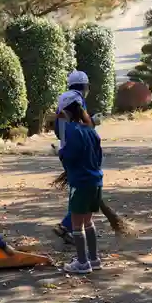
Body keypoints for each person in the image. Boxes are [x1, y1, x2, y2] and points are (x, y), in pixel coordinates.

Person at [59, 100, 103, 274]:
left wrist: (60, 153)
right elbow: (99, 155)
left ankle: (82, 263)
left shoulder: (72, 130)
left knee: (77, 225)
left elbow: (70, 155)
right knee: (88, 221)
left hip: (80, 181)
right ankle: (94, 258)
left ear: (66, 112)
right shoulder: (90, 130)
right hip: (95, 180)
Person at [53, 71, 95, 241]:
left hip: (66, 150)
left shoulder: (63, 100)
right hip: (76, 152)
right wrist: (93, 122)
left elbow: (57, 129)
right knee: (80, 191)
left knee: (77, 189)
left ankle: (70, 226)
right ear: (85, 86)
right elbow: (85, 126)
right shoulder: (77, 101)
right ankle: (68, 225)